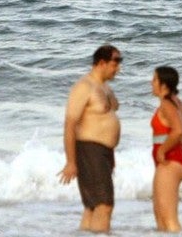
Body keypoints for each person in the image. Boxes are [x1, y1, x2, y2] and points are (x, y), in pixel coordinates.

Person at [58, 44, 122, 232]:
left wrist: (110, 155)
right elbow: (70, 124)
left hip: (102, 152)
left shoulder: (105, 88)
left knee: (92, 206)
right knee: (105, 205)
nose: (118, 68)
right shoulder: (84, 87)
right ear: (101, 63)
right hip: (89, 150)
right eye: (115, 63)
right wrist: (71, 162)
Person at [150, 66, 182, 233]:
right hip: (177, 159)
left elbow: (178, 130)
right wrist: (179, 144)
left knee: (169, 219)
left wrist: (163, 150)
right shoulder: (178, 103)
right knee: (160, 216)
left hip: (170, 162)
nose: (151, 83)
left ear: (164, 85)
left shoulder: (167, 104)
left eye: (155, 79)